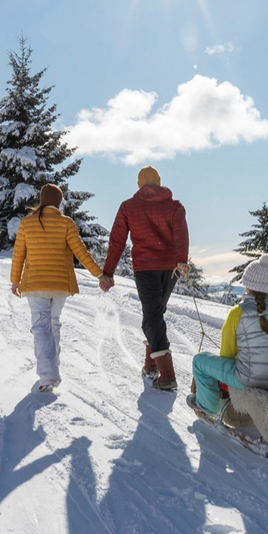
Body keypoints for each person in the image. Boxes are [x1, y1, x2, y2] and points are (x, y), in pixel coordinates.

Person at [99, 166, 189, 390]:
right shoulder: (175, 206)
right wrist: (181, 259)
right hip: (170, 268)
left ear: (139, 185)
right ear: (160, 182)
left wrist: (108, 272)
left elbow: (117, 241)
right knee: (154, 314)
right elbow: (181, 233)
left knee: (153, 314)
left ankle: (167, 374)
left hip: (145, 267)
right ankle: (151, 365)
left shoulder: (128, 207)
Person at [10, 183, 105, 392]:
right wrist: (99, 274)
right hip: (60, 285)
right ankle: (52, 370)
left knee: (41, 328)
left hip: (35, 285)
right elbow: (81, 252)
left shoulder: (27, 223)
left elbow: (19, 254)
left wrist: (15, 280)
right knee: (52, 324)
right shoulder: (66, 223)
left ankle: (47, 376)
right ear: (59, 202)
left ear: (42, 200)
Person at [187, 254, 268, 416]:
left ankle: (208, 407)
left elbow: (227, 354)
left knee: (199, 361)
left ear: (248, 285)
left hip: (250, 379)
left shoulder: (238, 311)